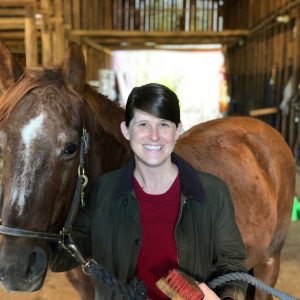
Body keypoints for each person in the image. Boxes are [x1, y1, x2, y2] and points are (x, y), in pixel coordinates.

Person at [52, 83, 248, 299]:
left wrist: (229, 297)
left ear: (178, 130)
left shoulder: (212, 192)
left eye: (164, 125)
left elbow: (232, 261)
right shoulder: (102, 192)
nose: (154, 136)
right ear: (126, 130)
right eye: (143, 124)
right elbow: (62, 254)